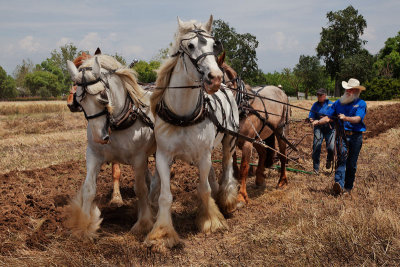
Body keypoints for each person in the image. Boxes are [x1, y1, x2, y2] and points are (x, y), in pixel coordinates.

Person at [317, 78, 367, 195]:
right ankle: (338, 183)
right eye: (347, 89)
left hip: (355, 136)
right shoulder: (338, 103)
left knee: (351, 164)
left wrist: (346, 118)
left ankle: (348, 187)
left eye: (351, 89)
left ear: (356, 91)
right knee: (341, 159)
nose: (348, 91)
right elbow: (329, 117)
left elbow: (358, 119)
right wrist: (317, 122)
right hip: (341, 135)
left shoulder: (361, 104)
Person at [308, 88, 335, 174]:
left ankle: (329, 159)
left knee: (331, 147)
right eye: (317, 95)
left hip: (330, 128)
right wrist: (312, 121)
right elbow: (311, 117)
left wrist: (328, 120)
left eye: (320, 95)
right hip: (319, 128)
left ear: (325, 96)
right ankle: (316, 168)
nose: (318, 97)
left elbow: (335, 118)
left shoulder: (331, 104)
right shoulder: (315, 105)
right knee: (317, 145)